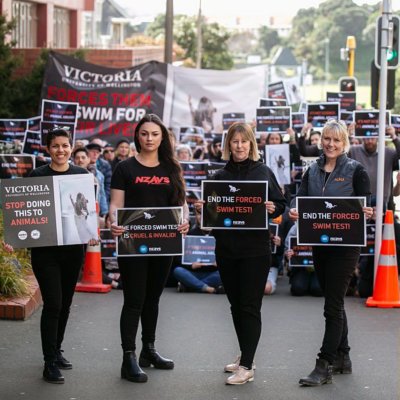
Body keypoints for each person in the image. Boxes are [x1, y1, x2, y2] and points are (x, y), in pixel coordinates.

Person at [197, 122, 286, 385]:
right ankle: (246, 354)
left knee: (250, 306)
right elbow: (209, 216)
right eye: (235, 142)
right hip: (226, 250)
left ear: (251, 144)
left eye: (244, 141)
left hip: (255, 251)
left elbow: (281, 204)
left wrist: (273, 208)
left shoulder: (263, 172)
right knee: (236, 305)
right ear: (228, 145)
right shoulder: (218, 177)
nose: (239, 146)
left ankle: (246, 366)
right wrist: (203, 208)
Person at [289, 119, 373, 387]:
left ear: (344, 142)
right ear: (320, 140)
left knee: (331, 306)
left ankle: (323, 363)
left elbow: (365, 204)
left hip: (345, 248)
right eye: (327, 139)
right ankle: (343, 358)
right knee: (333, 301)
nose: (331, 144)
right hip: (320, 244)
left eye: (336, 140)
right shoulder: (311, 171)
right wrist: (294, 210)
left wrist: (367, 212)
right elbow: (299, 199)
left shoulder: (356, 170)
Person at [109, 114, 189, 384]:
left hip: (163, 244)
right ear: (137, 136)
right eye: (144, 133)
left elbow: (181, 202)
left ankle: (149, 350)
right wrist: (112, 221)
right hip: (131, 244)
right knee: (134, 300)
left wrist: (185, 221)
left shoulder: (171, 167)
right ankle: (128, 357)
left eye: (155, 134)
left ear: (162, 137)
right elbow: (115, 205)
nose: (150, 138)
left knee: (153, 299)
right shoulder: (124, 168)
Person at [27, 129, 98, 384]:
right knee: (53, 304)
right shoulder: (37, 175)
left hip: (72, 250)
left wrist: (92, 231)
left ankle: (56, 351)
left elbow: (87, 211)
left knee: (65, 304)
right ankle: (48, 362)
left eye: (65, 146)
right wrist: (16, 237)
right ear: (48, 149)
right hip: (45, 252)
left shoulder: (81, 176)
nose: (61, 150)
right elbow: (24, 212)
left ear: (71, 148)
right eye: (56, 146)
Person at [174, 207, 223, 293]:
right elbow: (178, 258)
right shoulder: (189, 234)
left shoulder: (220, 235)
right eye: (199, 214)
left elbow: (228, 256)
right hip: (192, 273)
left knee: (226, 273)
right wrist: (191, 265)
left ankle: (190, 286)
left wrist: (220, 263)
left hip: (213, 273)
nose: (202, 217)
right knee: (178, 271)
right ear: (196, 216)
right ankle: (208, 288)